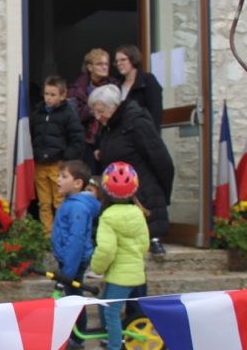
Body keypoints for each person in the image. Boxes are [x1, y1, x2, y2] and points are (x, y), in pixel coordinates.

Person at [89, 83, 175, 256]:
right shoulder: (109, 124)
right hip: (118, 187)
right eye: (95, 112)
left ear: (114, 106)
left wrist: (165, 193)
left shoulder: (136, 122)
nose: (98, 117)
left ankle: (155, 240)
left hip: (143, 188)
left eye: (101, 111)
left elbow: (160, 158)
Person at [83, 161, 150, 350]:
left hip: (120, 275)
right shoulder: (137, 213)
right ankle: (105, 345)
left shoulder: (109, 217)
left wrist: (96, 267)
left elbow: (106, 250)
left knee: (110, 312)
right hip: (134, 272)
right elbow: (144, 244)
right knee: (105, 307)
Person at [50, 159, 101, 350]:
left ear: (78, 183)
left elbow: (76, 240)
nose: (58, 180)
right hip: (68, 260)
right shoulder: (71, 202)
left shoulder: (77, 206)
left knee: (73, 298)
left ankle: (77, 337)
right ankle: (76, 335)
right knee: (73, 297)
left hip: (74, 261)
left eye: (64, 177)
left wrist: (68, 272)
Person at [30, 75, 85, 232]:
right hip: (40, 164)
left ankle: (61, 232)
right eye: (46, 94)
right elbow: (31, 135)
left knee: (60, 201)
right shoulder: (38, 113)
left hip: (58, 165)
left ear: (63, 95)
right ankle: (47, 234)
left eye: (53, 95)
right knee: (44, 202)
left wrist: (65, 159)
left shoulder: (68, 114)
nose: (48, 98)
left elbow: (78, 139)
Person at [68, 48, 117, 173]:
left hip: (109, 138)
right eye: (99, 64)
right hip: (86, 141)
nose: (104, 67)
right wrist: (94, 110)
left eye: (106, 64)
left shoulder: (114, 87)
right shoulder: (77, 89)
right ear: (90, 67)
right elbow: (74, 117)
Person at [114, 44, 163, 128]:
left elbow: (156, 112)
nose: (119, 63)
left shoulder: (148, 80)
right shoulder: (116, 85)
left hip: (143, 135)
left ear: (133, 59)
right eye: (117, 61)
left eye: (123, 60)